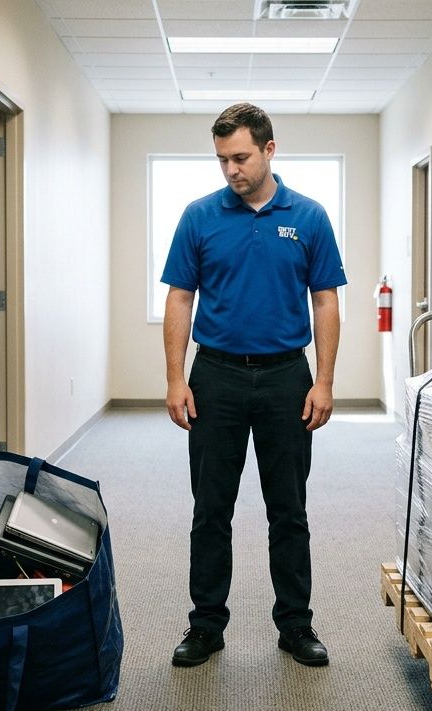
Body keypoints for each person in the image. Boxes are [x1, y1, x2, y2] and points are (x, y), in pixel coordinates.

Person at [160, 103, 346, 668]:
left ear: (269, 150)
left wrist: (325, 381)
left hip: (288, 376)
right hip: (215, 376)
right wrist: (175, 378)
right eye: (222, 160)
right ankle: (206, 626)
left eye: (240, 157)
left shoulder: (309, 217)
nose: (231, 170)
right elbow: (179, 298)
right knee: (210, 507)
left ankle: (295, 625)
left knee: (287, 508)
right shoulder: (199, 216)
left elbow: (326, 300)